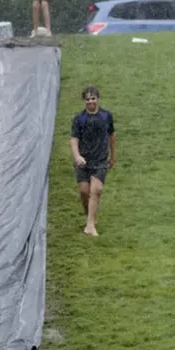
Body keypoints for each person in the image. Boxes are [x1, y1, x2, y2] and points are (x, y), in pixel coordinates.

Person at [70, 87, 116, 237]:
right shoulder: (79, 119)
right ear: (84, 101)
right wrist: (77, 156)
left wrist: (112, 156)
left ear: (98, 99)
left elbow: (112, 136)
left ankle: (90, 226)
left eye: (93, 98)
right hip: (83, 161)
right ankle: (91, 214)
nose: (90, 101)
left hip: (100, 160)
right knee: (84, 192)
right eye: (88, 99)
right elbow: (74, 139)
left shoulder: (106, 116)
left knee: (96, 191)